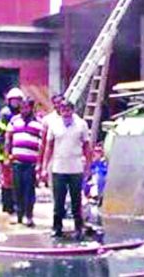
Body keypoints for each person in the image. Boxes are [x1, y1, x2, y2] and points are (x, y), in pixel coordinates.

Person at [42, 101, 92, 240]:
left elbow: (87, 146)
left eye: (68, 109)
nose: (65, 112)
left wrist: (88, 165)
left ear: (73, 110)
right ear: (59, 110)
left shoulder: (81, 124)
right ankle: (57, 228)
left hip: (75, 168)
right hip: (58, 168)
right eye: (63, 109)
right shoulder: (54, 124)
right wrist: (45, 167)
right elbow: (49, 147)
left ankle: (78, 228)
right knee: (59, 201)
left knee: (76, 200)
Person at [6, 98, 44, 227]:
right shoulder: (14, 120)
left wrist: (40, 163)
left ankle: (29, 216)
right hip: (17, 161)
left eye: (26, 108)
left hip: (31, 163)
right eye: (21, 108)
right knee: (17, 190)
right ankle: (19, 216)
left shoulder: (39, 123)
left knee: (29, 190)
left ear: (31, 108)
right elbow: (8, 138)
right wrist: (7, 155)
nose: (23, 110)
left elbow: (43, 144)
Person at [0, 107, 15, 214]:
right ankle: (7, 206)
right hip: (3, 155)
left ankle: (12, 205)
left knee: (13, 181)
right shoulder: (3, 119)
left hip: (14, 154)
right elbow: (0, 138)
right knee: (6, 182)